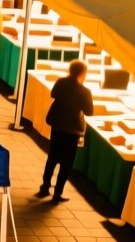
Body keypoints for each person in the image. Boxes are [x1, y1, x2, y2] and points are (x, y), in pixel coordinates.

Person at [40, 60, 94, 202]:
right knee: (67, 162)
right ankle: (58, 192)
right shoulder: (85, 91)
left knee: (52, 157)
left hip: (57, 124)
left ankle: (45, 186)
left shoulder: (61, 82)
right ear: (83, 74)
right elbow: (89, 112)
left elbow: (53, 94)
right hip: (72, 129)